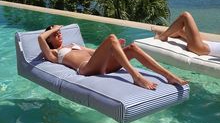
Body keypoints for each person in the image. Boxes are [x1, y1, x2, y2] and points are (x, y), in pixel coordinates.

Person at [38, 25, 187, 90]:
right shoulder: (53, 54)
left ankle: (169, 76)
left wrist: (114, 49)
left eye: (59, 32)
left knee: (133, 48)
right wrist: (55, 27)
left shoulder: (72, 44)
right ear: (49, 40)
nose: (59, 34)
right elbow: (40, 38)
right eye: (55, 34)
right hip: (86, 68)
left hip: (99, 64)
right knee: (111, 37)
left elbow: (95, 52)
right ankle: (136, 76)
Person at [152, 11, 220, 57]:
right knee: (180, 30)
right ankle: (160, 31)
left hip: (201, 48)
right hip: (208, 45)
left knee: (185, 15)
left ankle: (163, 36)